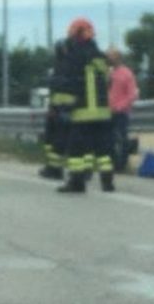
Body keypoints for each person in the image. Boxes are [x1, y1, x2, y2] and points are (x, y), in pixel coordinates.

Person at [57, 18, 114, 193]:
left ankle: (76, 182)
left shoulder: (74, 56)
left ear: (75, 34)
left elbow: (67, 85)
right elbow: (108, 82)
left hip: (82, 113)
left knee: (76, 150)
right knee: (103, 150)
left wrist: (63, 108)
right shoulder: (101, 58)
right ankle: (107, 182)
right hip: (103, 113)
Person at [39, 40, 70, 180]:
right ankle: (53, 167)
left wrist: (53, 108)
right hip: (64, 109)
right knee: (55, 140)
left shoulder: (61, 68)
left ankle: (54, 169)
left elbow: (56, 89)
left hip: (60, 110)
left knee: (56, 141)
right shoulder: (70, 66)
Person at [107, 48, 138, 172]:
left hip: (121, 112)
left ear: (118, 58)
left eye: (111, 56)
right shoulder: (108, 73)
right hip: (107, 112)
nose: (108, 59)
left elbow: (132, 94)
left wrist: (121, 106)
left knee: (121, 138)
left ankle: (122, 164)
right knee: (109, 139)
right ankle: (113, 163)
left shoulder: (126, 73)